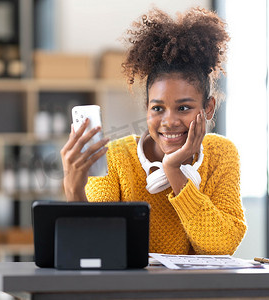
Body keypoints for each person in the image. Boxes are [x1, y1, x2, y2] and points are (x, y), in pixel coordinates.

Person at [60, 7, 246, 255]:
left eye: (183, 107)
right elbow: (97, 249)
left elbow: (220, 247)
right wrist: (74, 191)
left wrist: (174, 170)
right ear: (146, 109)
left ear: (208, 108)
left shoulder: (221, 153)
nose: (169, 121)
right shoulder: (116, 157)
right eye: (158, 108)